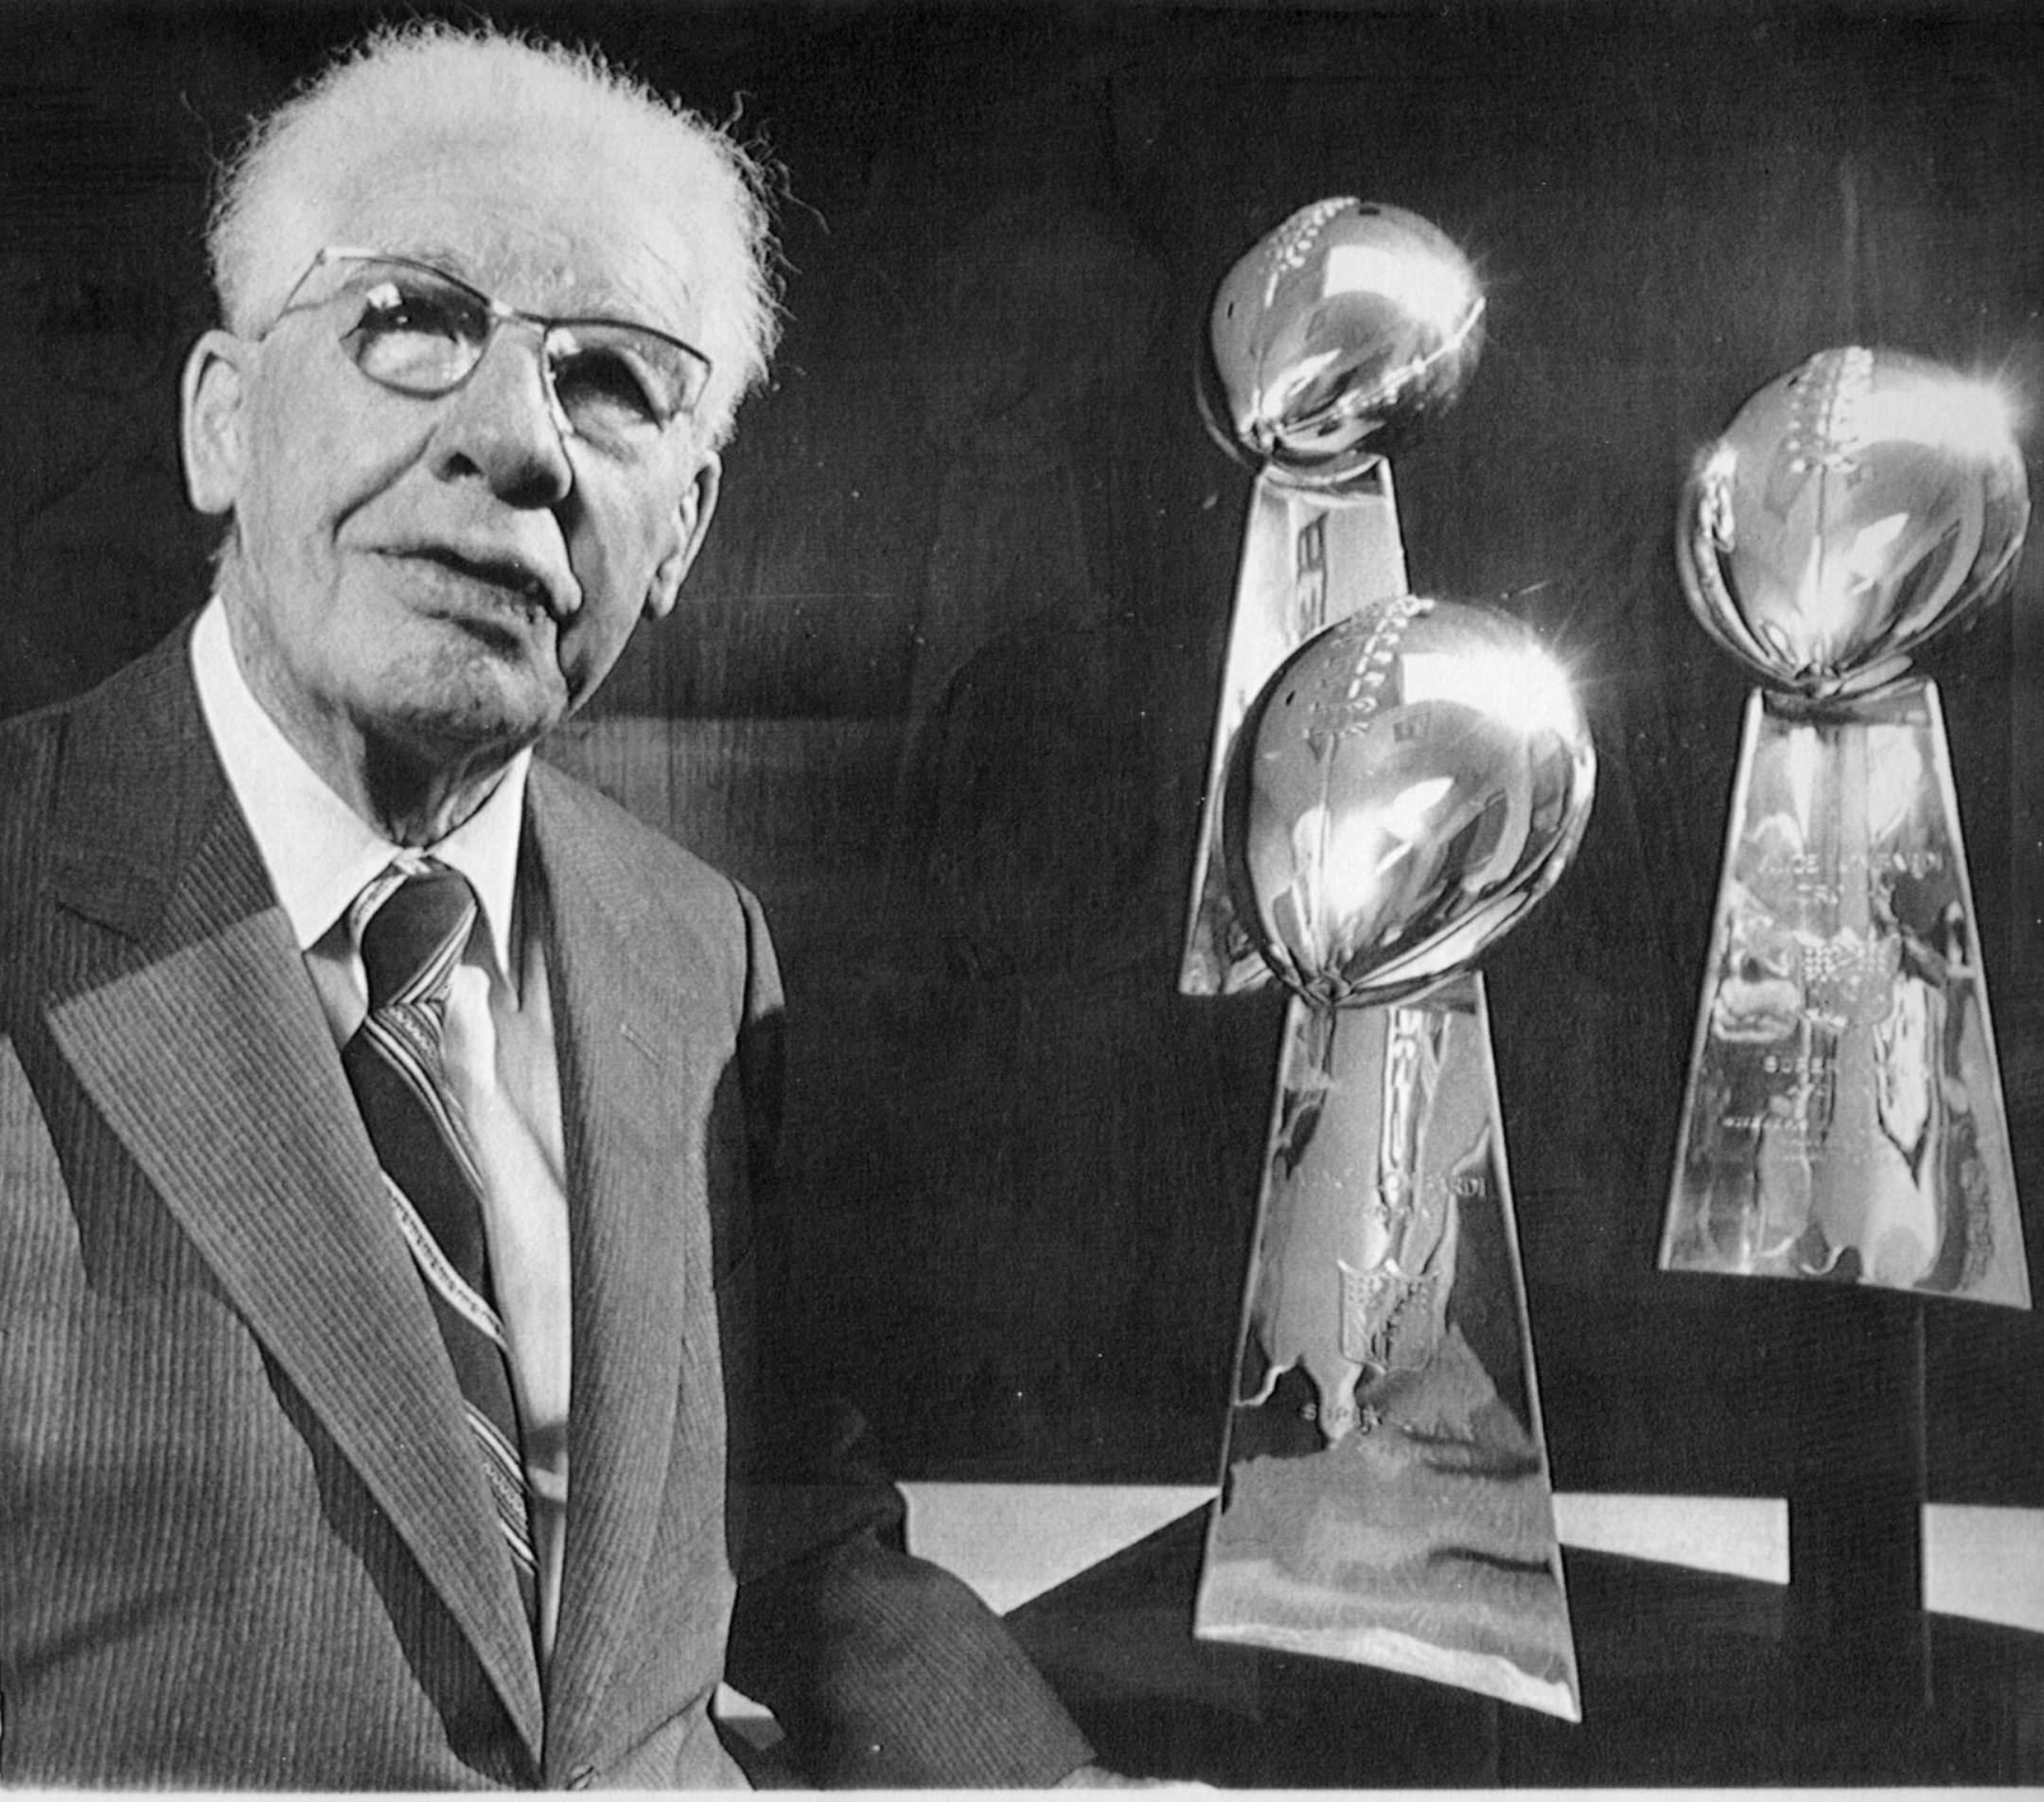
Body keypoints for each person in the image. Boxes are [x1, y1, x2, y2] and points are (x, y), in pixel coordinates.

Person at [0, 23, 1107, 1788]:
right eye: (412, 321)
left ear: (681, 532)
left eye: (611, 380)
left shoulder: (698, 949)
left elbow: (796, 1544)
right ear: (222, 417)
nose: (517, 442)